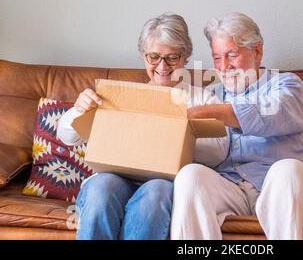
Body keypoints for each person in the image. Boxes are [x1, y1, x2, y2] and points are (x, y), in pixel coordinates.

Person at [56, 13, 226, 240]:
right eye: (154, 56)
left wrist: (177, 133)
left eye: (172, 57)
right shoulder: (121, 96)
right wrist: (79, 109)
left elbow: (219, 151)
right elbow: (66, 137)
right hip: (113, 179)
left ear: (185, 57)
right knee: (101, 189)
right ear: (142, 56)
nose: (162, 66)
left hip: (164, 185)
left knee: (157, 191)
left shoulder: (202, 100)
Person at [170, 12, 303, 240]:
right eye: (216, 58)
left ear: (257, 51)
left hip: (282, 188)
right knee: (190, 176)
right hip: (230, 188)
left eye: (232, 55)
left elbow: (271, 112)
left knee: (287, 171)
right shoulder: (210, 94)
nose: (223, 66)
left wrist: (207, 112)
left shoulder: (286, 85)